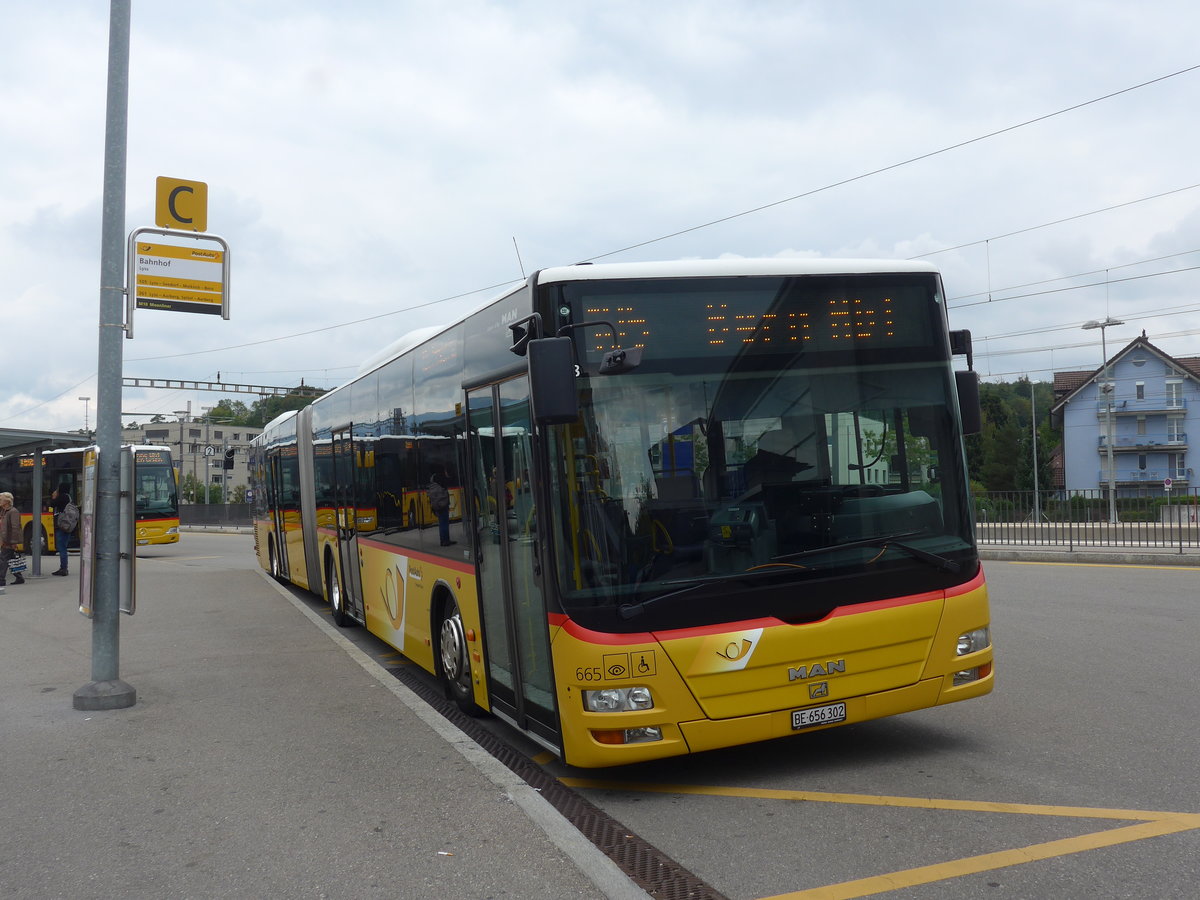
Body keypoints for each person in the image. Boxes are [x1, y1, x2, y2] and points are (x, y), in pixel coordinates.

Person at [0, 491, 24, 587]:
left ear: (7, 501)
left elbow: (15, 528)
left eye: (1, 499)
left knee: (3, 560)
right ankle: (19, 577)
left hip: (8, 541)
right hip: (4, 540)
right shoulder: (4, 511)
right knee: (11, 559)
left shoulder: (13, 511)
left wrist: (14, 542)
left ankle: (1, 580)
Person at [49, 485, 72, 575]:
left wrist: (54, 496)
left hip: (61, 526)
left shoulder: (62, 497)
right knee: (63, 546)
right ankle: (63, 567)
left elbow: (52, 503)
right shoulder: (68, 497)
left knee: (61, 547)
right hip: (67, 525)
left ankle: (63, 568)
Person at [429, 466, 454, 546]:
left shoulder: (433, 479)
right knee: (444, 522)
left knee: (441, 522)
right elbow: (447, 484)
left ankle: (443, 540)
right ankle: (445, 540)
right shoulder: (441, 478)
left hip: (436, 504)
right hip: (443, 504)